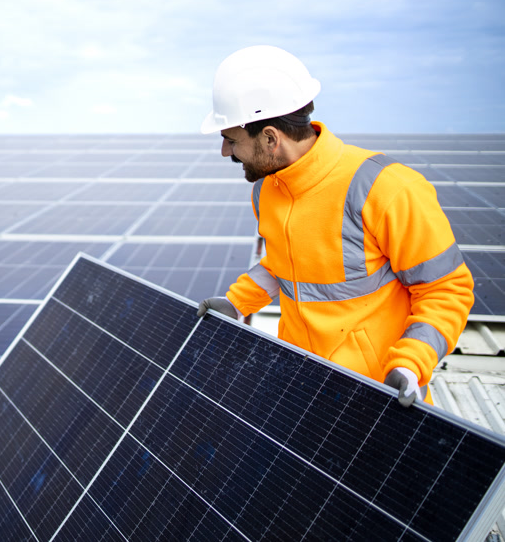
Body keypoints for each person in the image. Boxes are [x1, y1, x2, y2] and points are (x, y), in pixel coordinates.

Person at [196, 45, 474, 407]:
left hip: (377, 393)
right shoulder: (267, 189)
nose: (224, 152)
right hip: (300, 383)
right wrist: (236, 303)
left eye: (231, 140)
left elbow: (447, 290)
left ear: (269, 137)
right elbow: (282, 265)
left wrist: (411, 364)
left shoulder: (386, 188)